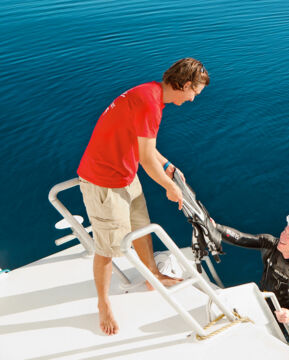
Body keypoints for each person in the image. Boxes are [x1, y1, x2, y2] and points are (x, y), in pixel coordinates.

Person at [77, 58, 209, 335]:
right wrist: (169, 187)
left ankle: (153, 275)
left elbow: (146, 147)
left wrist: (167, 165)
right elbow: (147, 160)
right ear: (184, 85)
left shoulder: (150, 94)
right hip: (104, 182)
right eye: (194, 92)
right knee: (107, 248)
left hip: (124, 173)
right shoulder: (150, 104)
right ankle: (102, 304)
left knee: (140, 227)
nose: (194, 99)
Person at [205, 213, 289, 354]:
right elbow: (241, 238)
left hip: (287, 318)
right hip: (263, 303)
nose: (283, 235)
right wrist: (216, 227)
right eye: (285, 230)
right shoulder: (271, 244)